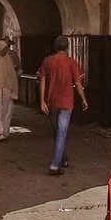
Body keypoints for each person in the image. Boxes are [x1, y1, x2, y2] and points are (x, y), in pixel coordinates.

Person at [39, 36, 88, 175]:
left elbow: (42, 80)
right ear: (67, 47)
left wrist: (42, 101)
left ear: (55, 47)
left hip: (52, 102)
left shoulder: (47, 61)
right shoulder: (72, 62)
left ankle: (63, 158)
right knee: (61, 132)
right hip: (66, 102)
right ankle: (55, 165)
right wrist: (83, 99)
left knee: (58, 132)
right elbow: (78, 83)